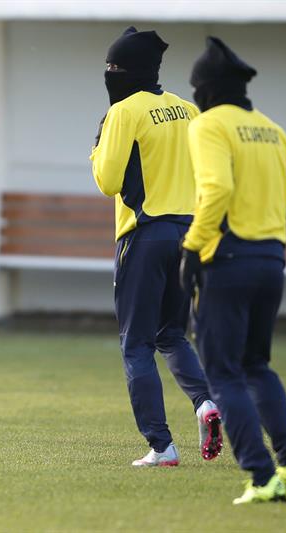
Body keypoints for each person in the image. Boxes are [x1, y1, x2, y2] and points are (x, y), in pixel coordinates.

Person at [179, 36, 286, 504]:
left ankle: (261, 477)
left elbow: (215, 190)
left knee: (223, 375)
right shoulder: (274, 130)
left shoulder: (209, 125)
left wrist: (193, 249)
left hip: (228, 259)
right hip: (271, 258)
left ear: (207, 90)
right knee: (257, 365)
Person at [90, 27, 222, 466]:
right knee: (172, 333)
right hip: (187, 235)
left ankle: (161, 445)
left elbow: (107, 181)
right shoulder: (187, 110)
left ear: (126, 72)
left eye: (113, 68)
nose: (109, 76)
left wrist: (97, 149)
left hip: (144, 235)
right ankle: (206, 403)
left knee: (136, 344)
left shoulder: (124, 111)